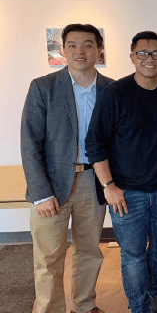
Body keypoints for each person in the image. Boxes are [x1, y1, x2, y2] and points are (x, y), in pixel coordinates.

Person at [86, 31, 157, 313]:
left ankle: (154, 296)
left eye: (156, 54)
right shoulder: (114, 94)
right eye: (142, 53)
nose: (149, 59)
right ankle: (138, 306)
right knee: (132, 256)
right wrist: (108, 186)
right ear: (132, 57)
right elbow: (95, 143)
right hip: (126, 192)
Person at [21, 24, 113, 313]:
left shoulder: (112, 89)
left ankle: (85, 305)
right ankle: (50, 309)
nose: (80, 51)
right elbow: (30, 141)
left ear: (99, 49)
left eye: (87, 44)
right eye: (72, 45)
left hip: (93, 181)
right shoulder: (43, 87)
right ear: (62, 50)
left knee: (89, 251)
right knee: (49, 257)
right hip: (51, 184)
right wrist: (39, 192)